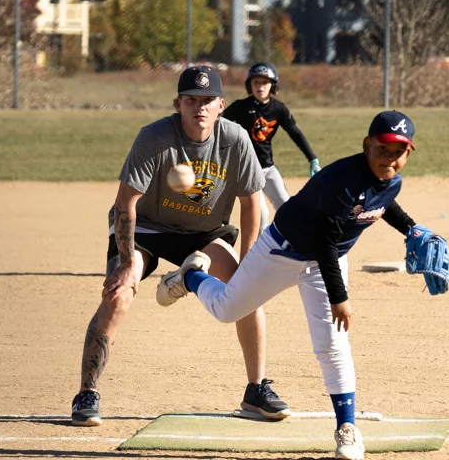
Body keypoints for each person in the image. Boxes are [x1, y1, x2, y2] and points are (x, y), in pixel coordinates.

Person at [156, 110, 441, 460]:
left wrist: (411, 227)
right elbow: (326, 240)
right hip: (281, 251)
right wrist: (340, 298)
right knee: (227, 309)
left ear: (409, 153)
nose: (391, 158)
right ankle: (189, 276)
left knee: (333, 345)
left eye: (399, 152)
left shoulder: (390, 178)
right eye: (384, 149)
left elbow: (382, 202)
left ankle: (347, 429)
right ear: (368, 145)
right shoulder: (343, 180)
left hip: (326, 261)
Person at [70, 64, 291, 426]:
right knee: (120, 294)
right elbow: (125, 203)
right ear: (178, 104)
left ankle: (256, 390)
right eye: (191, 100)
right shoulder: (154, 137)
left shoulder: (235, 140)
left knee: (247, 292)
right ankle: (86, 392)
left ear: (221, 105)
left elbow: (253, 203)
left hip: (206, 232)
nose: (198, 107)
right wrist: (127, 262)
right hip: (147, 230)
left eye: (207, 100)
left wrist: (249, 263)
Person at [222, 62, 320, 231]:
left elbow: (295, 133)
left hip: (268, 166)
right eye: (256, 82)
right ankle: (258, 253)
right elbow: (220, 126)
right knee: (261, 214)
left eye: (265, 82)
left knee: (287, 207)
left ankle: (292, 245)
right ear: (249, 85)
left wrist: (312, 158)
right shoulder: (240, 107)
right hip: (247, 169)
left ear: (273, 85)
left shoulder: (278, 109)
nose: (260, 86)